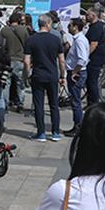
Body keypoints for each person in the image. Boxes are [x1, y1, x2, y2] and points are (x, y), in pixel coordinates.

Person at [23, 14, 66, 142]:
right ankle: (55, 132)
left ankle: (41, 133)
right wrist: (62, 75)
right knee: (54, 104)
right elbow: (61, 60)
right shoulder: (56, 39)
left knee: (38, 104)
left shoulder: (31, 40)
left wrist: (27, 74)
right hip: (52, 75)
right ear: (48, 24)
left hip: (38, 75)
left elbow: (26, 61)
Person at [63, 18, 90, 137]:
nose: (68, 27)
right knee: (75, 100)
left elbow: (82, 59)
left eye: (70, 25)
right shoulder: (78, 39)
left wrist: (75, 72)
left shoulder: (79, 40)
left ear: (75, 27)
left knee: (75, 101)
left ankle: (78, 126)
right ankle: (77, 125)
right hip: (76, 71)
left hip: (77, 73)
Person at [84, 10, 105, 105]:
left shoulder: (96, 27)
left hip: (95, 59)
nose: (86, 16)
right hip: (94, 58)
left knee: (92, 82)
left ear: (93, 15)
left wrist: (85, 56)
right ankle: (90, 103)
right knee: (89, 82)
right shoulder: (93, 26)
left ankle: (94, 104)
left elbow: (93, 44)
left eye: (88, 15)